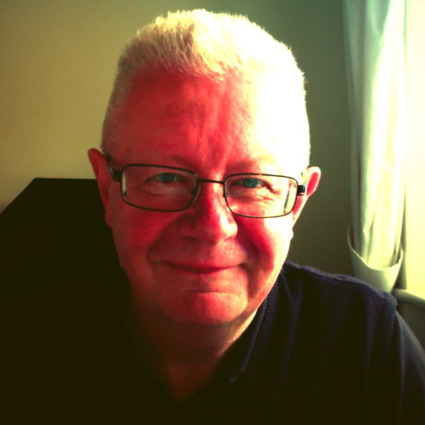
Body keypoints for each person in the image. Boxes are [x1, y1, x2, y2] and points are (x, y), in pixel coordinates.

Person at [2, 9, 424, 424]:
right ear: (106, 191)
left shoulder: (369, 344)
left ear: (297, 203)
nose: (211, 226)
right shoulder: (21, 348)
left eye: (253, 183)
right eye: (165, 177)